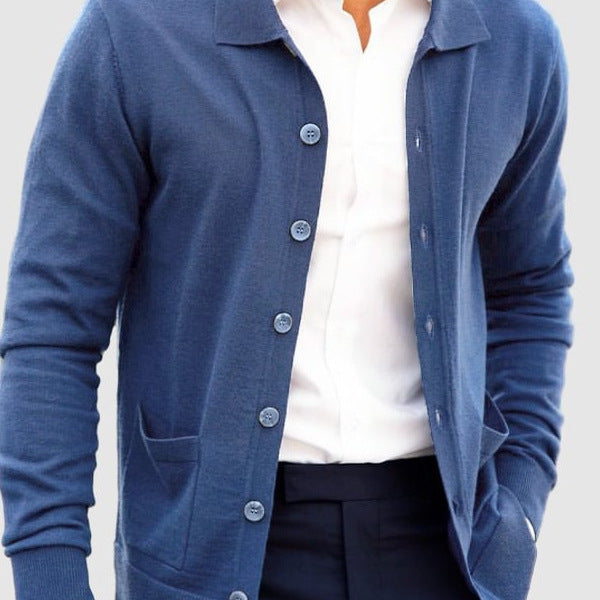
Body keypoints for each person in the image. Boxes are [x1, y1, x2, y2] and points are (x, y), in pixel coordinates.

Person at [0, 0, 573, 598]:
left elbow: (530, 286)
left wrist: (520, 506)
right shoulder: (136, 28)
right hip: (208, 552)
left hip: (449, 549)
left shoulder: (515, 39)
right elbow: (53, 323)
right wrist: (49, 573)